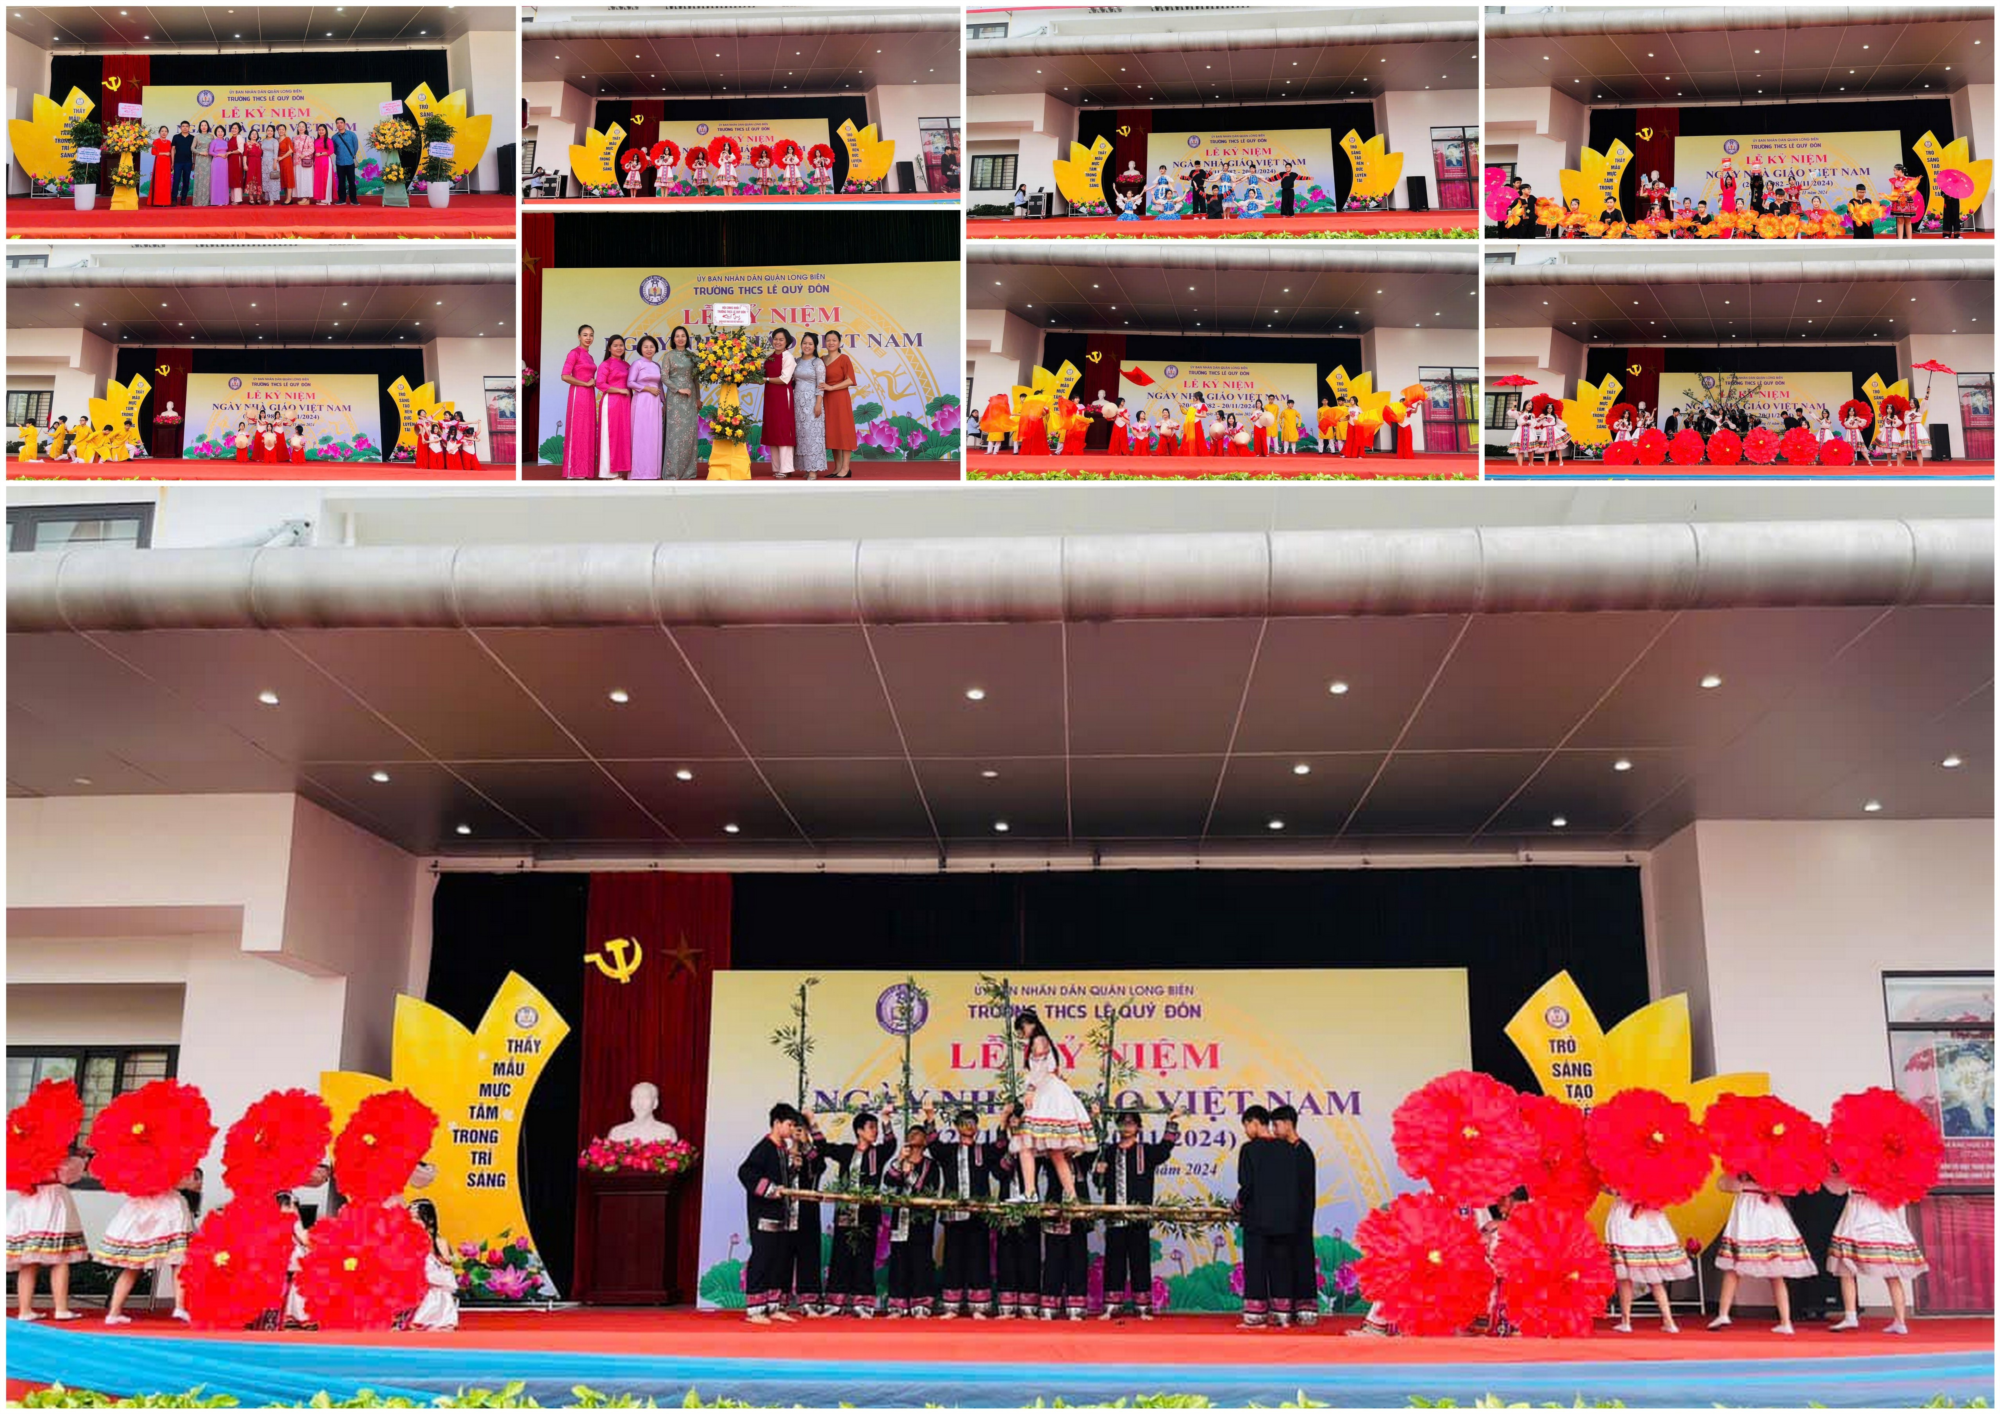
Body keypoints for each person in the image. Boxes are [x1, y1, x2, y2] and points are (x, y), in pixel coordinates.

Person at [1094, 1106, 1184, 1320]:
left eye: (1131, 1123)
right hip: (1115, 1217)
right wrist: (1098, 1172)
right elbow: (1098, 1183)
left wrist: (1171, 1122)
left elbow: (1165, 1149)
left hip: (1139, 1217)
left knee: (1140, 1260)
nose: (1126, 1126)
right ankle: (1112, 1306)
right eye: (1122, 1123)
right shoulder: (1108, 1151)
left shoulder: (1146, 1151)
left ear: (1139, 1127)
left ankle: (1142, 1306)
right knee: (1114, 1261)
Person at [1824, 1163, 1926, 1334]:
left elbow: (1839, 1187)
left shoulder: (1856, 1158)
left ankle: (1852, 1316)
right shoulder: (1888, 1159)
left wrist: (1835, 1169)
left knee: (1846, 1264)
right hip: (1882, 1209)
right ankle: (1899, 1320)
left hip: (1861, 1209)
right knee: (1890, 1269)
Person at [1711, 1172, 1815, 1334]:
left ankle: (1723, 1314)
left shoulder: (1743, 1164)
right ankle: (1785, 1322)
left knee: (1734, 1265)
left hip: (1749, 1208)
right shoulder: (1773, 1163)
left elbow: (1727, 1184)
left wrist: (1746, 1179)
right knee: (1775, 1270)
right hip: (1769, 1209)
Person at [819, 1108, 896, 1316]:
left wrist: (886, 1120)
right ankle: (835, 1303)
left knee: (865, 1257)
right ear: (859, 1131)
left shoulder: (878, 1154)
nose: (875, 1131)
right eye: (871, 1127)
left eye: (876, 1128)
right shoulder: (846, 1151)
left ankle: (863, 1304)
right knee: (840, 1257)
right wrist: (812, 1124)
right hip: (845, 1213)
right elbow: (823, 1148)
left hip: (867, 1215)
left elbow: (891, 1145)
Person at [1011, 1008, 1092, 1203]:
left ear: (1028, 1025)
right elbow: (1052, 1069)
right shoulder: (1044, 1040)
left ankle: (1030, 1192)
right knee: (1055, 1152)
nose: (1022, 1035)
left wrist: (1030, 1090)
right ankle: (1071, 1196)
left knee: (1025, 1144)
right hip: (1050, 1092)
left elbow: (1040, 1070)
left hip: (1046, 1094)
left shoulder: (1039, 1040)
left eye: (1021, 1030)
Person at [100, 1165, 198, 1324]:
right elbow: (184, 1182)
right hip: (168, 1208)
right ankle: (180, 1307)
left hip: (140, 1208)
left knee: (133, 1265)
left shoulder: (136, 1160)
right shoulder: (173, 1158)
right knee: (179, 1261)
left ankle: (114, 1312)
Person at [923, 1101, 995, 1318]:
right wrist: (930, 1117)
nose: (968, 1126)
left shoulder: (984, 1150)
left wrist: (1004, 1120)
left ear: (977, 1127)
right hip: (953, 1214)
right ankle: (951, 1306)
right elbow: (933, 1145)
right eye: (964, 1123)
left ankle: (978, 1307)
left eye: (972, 1122)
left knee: (978, 1258)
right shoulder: (948, 1150)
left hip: (978, 1214)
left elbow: (1002, 1147)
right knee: (953, 1258)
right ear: (956, 1127)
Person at [739, 1102, 807, 1324]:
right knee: (762, 1258)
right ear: (777, 1123)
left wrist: (794, 1168)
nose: (791, 1129)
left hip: (781, 1215)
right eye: (789, 1124)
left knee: (779, 1260)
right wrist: (770, 1189)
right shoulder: (764, 1147)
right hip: (764, 1215)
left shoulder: (783, 1149)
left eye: (794, 1125)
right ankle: (755, 1310)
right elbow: (745, 1172)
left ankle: (774, 1305)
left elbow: (783, 1178)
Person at [8, 1148, 88, 1322]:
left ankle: (25, 1310)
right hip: (53, 1200)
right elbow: (67, 1175)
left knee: (29, 1260)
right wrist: (79, 1158)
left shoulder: (22, 1149)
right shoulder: (53, 1148)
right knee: (60, 1258)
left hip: (28, 1201)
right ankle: (61, 1309)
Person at [1604, 1186, 1690, 1332]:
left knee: (1624, 1272)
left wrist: (1606, 1188)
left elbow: (1613, 1189)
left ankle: (1626, 1321)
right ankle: (1669, 1321)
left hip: (1626, 1217)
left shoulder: (1620, 1174)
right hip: (1650, 1216)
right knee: (1653, 1273)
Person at [880, 1118, 941, 1317]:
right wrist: (900, 1161)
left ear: (925, 1141)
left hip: (921, 1221)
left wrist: (910, 1176)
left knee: (921, 1260)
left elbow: (930, 1189)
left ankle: (921, 1304)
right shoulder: (899, 1161)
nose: (914, 1135)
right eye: (911, 1133)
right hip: (900, 1219)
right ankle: (897, 1305)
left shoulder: (932, 1165)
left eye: (918, 1133)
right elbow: (888, 1181)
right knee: (899, 1260)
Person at [1038, 1143, 1092, 1320]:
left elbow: (1094, 1148)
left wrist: (1078, 1146)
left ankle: (1076, 1307)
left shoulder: (1082, 1160)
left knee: (1078, 1261)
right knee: (1053, 1261)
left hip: (1077, 1219)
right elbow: (1040, 1149)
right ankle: (1049, 1306)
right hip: (1055, 1216)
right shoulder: (1051, 1157)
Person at [405, 1199, 459, 1331]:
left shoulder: (437, 1240)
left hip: (431, 1272)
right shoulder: (409, 1238)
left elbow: (445, 1259)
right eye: (410, 1218)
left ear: (430, 1220)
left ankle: (434, 1319)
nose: (412, 1221)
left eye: (417, 1218)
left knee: (436, 1295)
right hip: (416, 1271)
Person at [660, 325, 700, 480]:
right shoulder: (669, 356)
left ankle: (688, 472)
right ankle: (672, 472)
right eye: (677, 336)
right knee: (675, 435)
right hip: (675, 399)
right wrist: (679, 389)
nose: (680, 338)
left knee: (689, 434)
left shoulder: (692, 356)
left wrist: (698, 398)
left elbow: (695, 379)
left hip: (690, 399)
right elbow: (664, 377)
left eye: (683, 336)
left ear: (687, 338)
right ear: (673, 339)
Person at [818, 330, 858, 479]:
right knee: (833, 432)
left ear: (839, 342)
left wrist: (831, 387)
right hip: (827, 399)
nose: (831, 343)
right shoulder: (821, 359)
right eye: (828, 340)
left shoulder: (844, 358)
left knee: (844, 432)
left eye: (834, 340)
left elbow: (850, 380)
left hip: (840, 398)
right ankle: (837, 467)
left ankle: (846, 468)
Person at [560, 325, 599, 480]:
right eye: (585, 335)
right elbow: (565, 376)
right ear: (579, 337)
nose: (588, 338)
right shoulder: (574, 353)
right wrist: (585, 383)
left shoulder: (590, 356)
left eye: (591, 335)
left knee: (587, 430)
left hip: (589, 395)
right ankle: (574, 471)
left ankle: (585, 470)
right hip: (578, 394)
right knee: (577, 429)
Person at [625, 333, 664, 481]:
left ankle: (653, 471)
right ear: (640, 349)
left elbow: (660, 386)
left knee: (653, 435)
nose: (649, 349)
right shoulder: (637, 364)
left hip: (655, 403)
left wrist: (664, 403)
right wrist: (648, 389)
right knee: (641, 435)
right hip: (642, 401)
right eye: (645, 347)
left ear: (656, 349)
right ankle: (639, 472)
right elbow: (630, 383)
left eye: (651, 347)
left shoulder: (656, 366)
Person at [594, 333, 632, 479]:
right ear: (609, 348)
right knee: (610, 435)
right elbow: (600, 384)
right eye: (615, 345)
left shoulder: (627, 365)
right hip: (611, 403)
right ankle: (608, 472)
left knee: (623, 436)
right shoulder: (606, 364)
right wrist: (620, 390)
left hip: (625, 404)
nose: (619, 348)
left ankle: (619, 469)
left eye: (621, 345)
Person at [762, 327, 798, 478]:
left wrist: (765, 379)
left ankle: (786, 468)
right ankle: (777, 467)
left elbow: (785, 379)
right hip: (770, 396)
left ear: (787, 341)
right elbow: (763, 375)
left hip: (783, 396)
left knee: (783, 430)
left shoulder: (788, 357)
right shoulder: (769, 357)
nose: (777, 342)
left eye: (781, 339)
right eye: (775, 339)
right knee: (773, 430)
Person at [793, 332, 828, 481]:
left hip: (812, 402)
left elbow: (821, 385)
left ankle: (814, 469)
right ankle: (806, 467)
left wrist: (818, 404)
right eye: (804, 343)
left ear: (815, 346)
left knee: (812, 435)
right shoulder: (797, 361)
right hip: (797, 402)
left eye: (810, 344)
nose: (807, 346)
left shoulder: (817, 363)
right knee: (801, 435)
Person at [1890, 165, 1921, 239]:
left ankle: (1909, 239)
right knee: (1899, 220)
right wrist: (1896, 195)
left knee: (1908, 221)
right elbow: (1893, 192)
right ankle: (1900, 239)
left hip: (1907, 201)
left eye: (1895, 170)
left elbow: (1913, 191)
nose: (1894, 172)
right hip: (1898, 201)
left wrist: (1907, 194)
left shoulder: (1910, 179)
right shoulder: (1893, 180)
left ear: (1900, 171)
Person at [147, 125, 174, 207]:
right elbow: (153, 152)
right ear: (159, 132)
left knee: (166, 182)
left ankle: (166, 202)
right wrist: (164, 153)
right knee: (159, 182)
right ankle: (158, 201)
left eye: (165, 131)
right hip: (159, 163)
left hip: (167, 163)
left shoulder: (169, 142)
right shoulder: (156, 141)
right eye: (162, 131)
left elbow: (172, 153)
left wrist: (172, 163)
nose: (164, 133)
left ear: (167, 133)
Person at [205, 123, 230, 208]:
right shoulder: (214, 141)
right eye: (218, 131)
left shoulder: (226, 142)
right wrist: (219, 155)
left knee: (224, 180)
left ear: (224, 132)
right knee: (216, 180)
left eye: (221, 131)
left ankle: (224, 200)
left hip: (224, 162)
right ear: (216, 132)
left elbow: (227, 151)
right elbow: (210, 152)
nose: (220, 133)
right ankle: (216, 200)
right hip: (216, 162)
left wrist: (226, 154)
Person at [170, 120, 194, 205]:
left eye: (186, 126)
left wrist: (193, 162)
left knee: (186, 181)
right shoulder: (176, 137)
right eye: (183, 126)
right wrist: (172, 162)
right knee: (176, 180)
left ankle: (184, 199)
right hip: (178, 162)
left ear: (189, 128)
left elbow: (194, 151)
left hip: (188, 162)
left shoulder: (192, 138)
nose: (185, 128)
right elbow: (173, 149)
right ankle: (174, 199)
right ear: (180, 127)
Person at [293, 122, 316, 204]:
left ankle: (306, 197)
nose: (301, 128)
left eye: (303, 126)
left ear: (305, 128)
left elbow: (312, 149)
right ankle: (304, 198)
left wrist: (304, 154)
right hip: (296, 162)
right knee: (299, 179)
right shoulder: (295, 138)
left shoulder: (308, 138)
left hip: (306, 162)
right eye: (299, 126)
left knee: (306, 179)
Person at [312, 124, 334, 206]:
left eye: (322, 130)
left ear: (325, 131)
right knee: (318, 180)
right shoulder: (316, 140)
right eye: (319, 130)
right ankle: (320, 197)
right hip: (317, 162)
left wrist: (321, 153)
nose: (321, 131)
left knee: (325, 179)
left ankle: (326, 199)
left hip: (325, 161)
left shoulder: (328, 140)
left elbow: (331, 151)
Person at [244, 123, 264, 206]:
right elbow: (245, 155)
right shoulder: (247, 144)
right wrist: (245, 164)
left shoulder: (260, 145)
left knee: (259, 179)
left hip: (259, 163)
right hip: (250, 163)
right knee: (250, 179)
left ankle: (258, 198)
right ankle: (251, 197)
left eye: (256, 134)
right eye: (252, 134)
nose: (254, 135)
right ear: (249, 135)